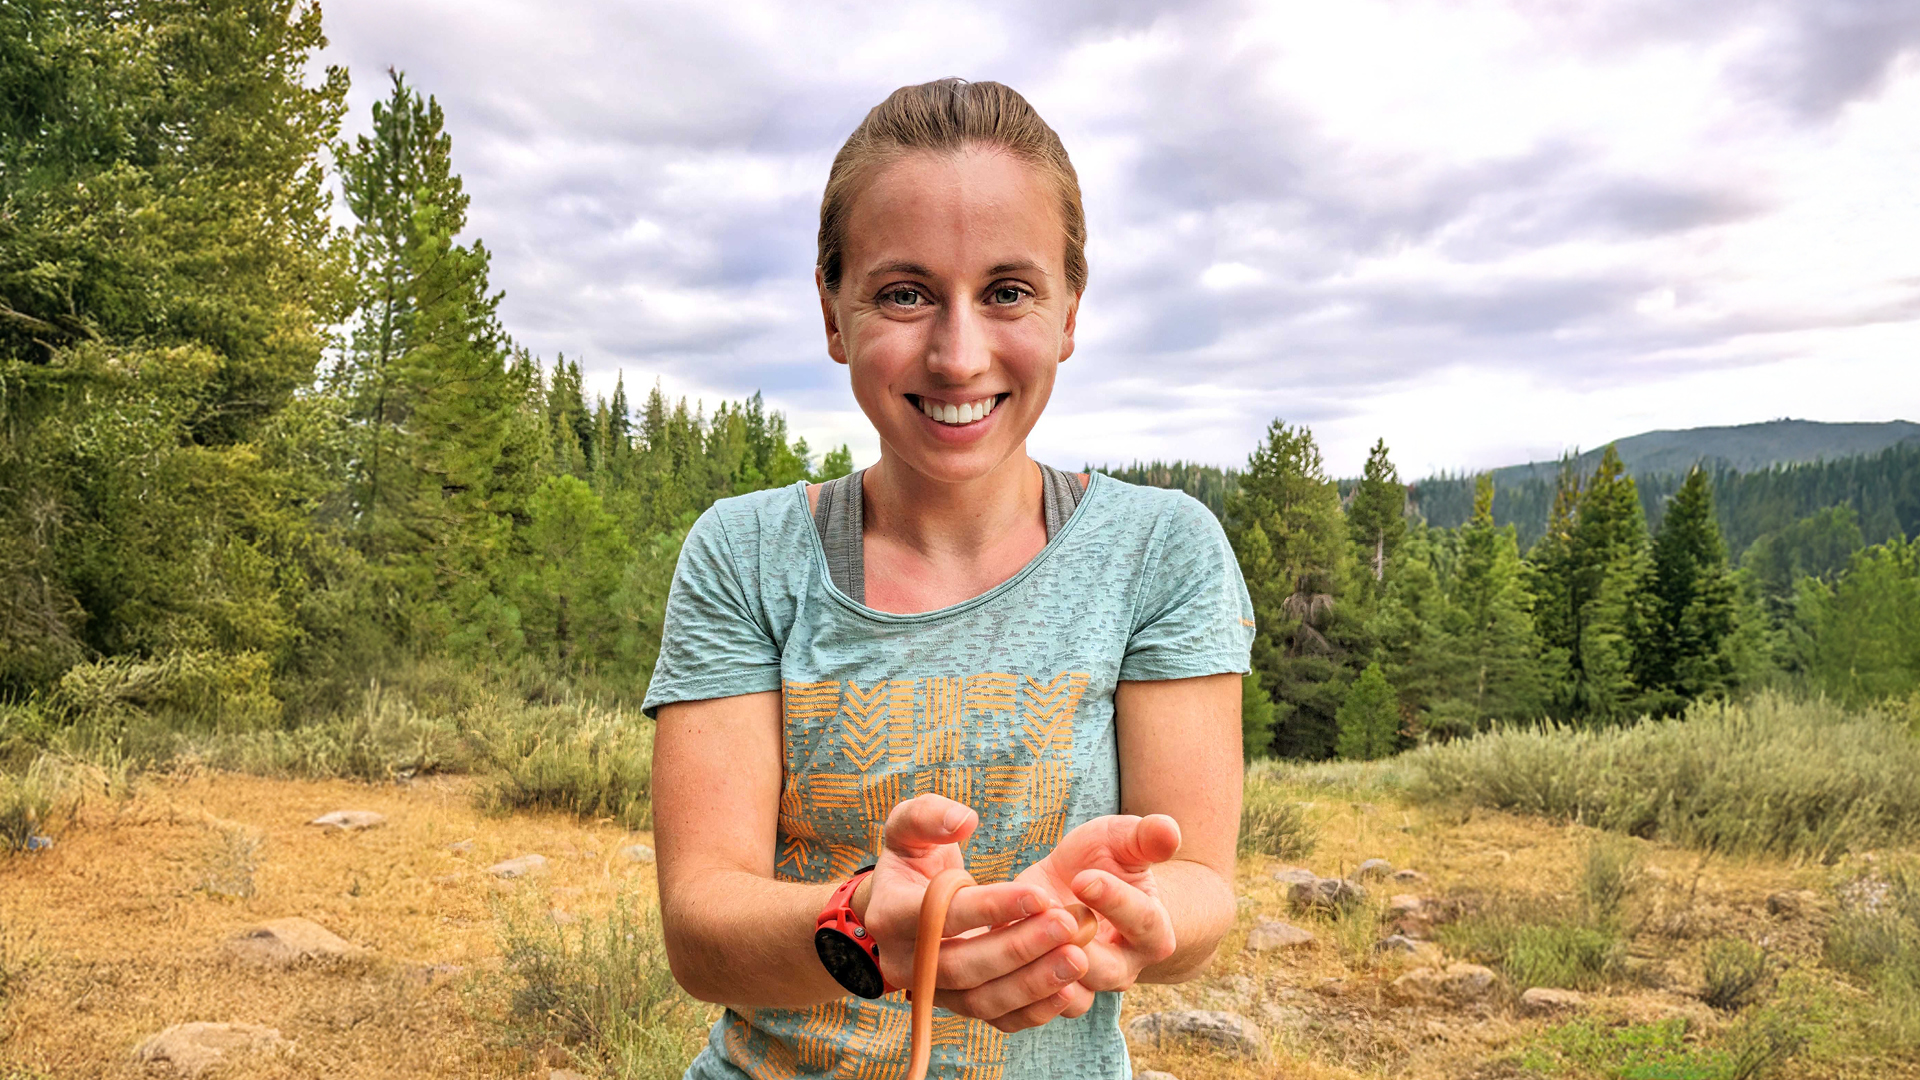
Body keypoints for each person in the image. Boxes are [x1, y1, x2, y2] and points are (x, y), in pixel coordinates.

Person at [646, 78, 1253, 1080]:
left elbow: (1199, 890)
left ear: (1068, 314)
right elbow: (700, 930)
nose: (960, 354)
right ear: (834, 314)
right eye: (904, 292)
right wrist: (861, 933)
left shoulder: (1161, 552)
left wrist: (1102, 925)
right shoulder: (743, 554)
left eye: (1007, 292)